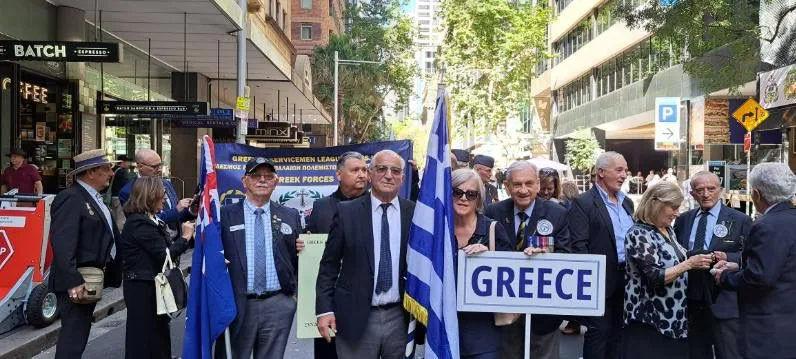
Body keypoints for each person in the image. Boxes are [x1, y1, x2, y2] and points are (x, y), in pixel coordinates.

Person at [315, 150, 415, 359]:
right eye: (381, 169)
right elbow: (328, 266)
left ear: (402, 178)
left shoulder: (414, 214)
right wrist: (324, 310)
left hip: (400, 317)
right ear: (370, 174)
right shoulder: (346, 212)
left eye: (395, 171)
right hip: (355, 317)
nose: (389, 175)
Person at [484, 160, 569, 359]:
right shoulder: (493, 213)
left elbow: (567, 255)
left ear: (538, 185)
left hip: (544, 313)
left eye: (529, 183)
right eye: (517, 184)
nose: (523, 190)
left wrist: (548, 259)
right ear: (506, 186)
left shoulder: (557, 213)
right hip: (505, 311)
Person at [219, 157, 303, 359]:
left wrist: (303, 248)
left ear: (276, 181)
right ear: (244, 181)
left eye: (268, 176)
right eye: (256, 176)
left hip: (278, 304)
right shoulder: (224, 215)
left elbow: (298, 259)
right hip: (238, 305)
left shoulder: (290, 215)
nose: (262, 180)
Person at [623, 181, 715, 358]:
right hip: (650, 322)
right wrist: (689, 264)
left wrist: (709, 256)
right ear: (656, 204)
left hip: (673, 320)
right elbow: (655, 277)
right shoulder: (638, 234)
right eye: (673, 207)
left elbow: (677, 258)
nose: (677, 213)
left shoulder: (666, 229)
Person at [713, 163, 796, 359]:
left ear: (757, 194)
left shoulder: (766, 225)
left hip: (769, 328)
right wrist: (741, 265)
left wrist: (725, 277)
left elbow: (760, 277)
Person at [49, 149, 120, 359]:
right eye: (107, 168)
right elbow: (62, 243)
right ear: (90, 173)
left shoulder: (94, 198)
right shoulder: (70, 198)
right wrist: (73, 281)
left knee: (78, 335)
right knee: (73, 338)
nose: (111, 173)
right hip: (78, 281)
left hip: (91, 278)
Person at [673, 171, 751, 359]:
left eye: (711, 189)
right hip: (690, 300)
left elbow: (751, 257)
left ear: (721, 191)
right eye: (700, 190)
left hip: (723, 299)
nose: (706, 194)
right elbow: (675, 251)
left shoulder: (740, 220)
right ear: (692, 194)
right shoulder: (684, 219)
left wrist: (728, 258)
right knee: (696, 353)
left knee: (729, 353)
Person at [119, 176, 195, 359]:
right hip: (142, 289)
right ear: (149, 197)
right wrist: (185, 237)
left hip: (151, 286)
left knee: (158, 332)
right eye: (161, 196)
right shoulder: (138, 223)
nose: (164, 199)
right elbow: (165, 254)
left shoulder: (150, 219)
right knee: (144, 336)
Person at [568, 151, 634, 359]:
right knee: (599, 334)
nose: (624, 175)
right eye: (619, 170)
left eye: (626, 170)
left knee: (621, 335)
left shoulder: (627, 203)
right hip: (599, 282)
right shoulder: (584, 203)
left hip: (629, 281)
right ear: (601, 172)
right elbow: (578, 246)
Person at [305, 151, 369, 359]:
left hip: (364, 302)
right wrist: (302, 246)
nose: (361, 175)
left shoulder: (376, 208)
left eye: (364, 170)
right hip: (329, 301)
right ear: (339, 175)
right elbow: (313, 250)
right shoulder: (321, 207)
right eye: (355, 170)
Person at [452, 168, 512, 359]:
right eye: (457, 192)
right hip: (444, 325)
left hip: (483, 331)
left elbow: (509, 276)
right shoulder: (437, 230)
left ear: (479, 199)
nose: (463, 198)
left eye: (471, 194)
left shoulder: (493, 229)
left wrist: (489, 258)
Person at [119, 149, 195, 254]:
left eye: (160, 165)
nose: (159, 169)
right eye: (155, 166)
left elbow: (177, 216)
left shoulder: (166, 184)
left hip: (176, 246)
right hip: (154, 251)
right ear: (140, 167)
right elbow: (145, 223)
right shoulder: (129, 191)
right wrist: (176, 210)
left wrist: (192, 210)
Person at [106, 154, 133, 229]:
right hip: (119, 198)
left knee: (114, 217)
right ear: (122, 162)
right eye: (127, 162)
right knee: (121, 218)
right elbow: (128, 185)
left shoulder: (114, 169)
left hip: (113, 197)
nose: (128, 164)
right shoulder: (122, 172)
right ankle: (119, 236)